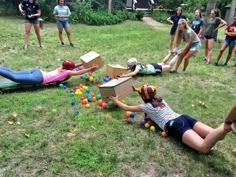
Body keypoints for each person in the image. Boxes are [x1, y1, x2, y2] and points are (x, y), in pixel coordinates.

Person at [110, 83, 236, 154]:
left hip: (175, 124)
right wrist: (137, 90)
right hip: (184, 117)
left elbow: (126, 107)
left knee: (204, 147)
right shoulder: (159, 98)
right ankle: (229, 123)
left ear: (144, 97)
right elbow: (147, 93)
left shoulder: (146, 106)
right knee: (217, 134)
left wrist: (115, 100)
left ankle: (229, 125)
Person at [0, 60, 96, 85]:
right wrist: (89, 69)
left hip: (37, 72)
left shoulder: (61, 68)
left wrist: (83, 63)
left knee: (14, 73)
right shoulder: (67, 73)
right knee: (15, 78)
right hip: (38, 78)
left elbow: (73, 66)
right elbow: (79, 72)